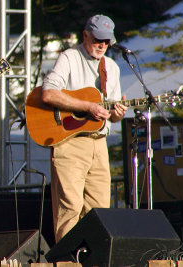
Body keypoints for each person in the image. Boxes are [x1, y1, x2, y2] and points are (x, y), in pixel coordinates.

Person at [41, 14, 128, 242]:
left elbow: (110, 114)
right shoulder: (69, 57)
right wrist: (87, 106)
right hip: (70, 141)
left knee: (100, 211)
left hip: (99, 145)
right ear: (85, 35)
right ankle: (69, 261)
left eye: (107, 41)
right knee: (70, 208)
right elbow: (48, 93)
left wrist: (117, 115)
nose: (102, 45)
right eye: (98, 39)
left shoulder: (112, 67)